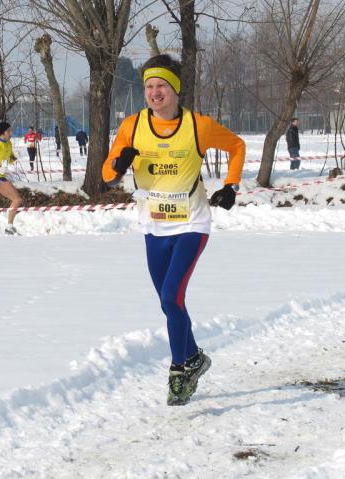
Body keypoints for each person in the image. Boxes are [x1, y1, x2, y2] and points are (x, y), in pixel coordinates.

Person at [102, 54, 245, 406]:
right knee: (170, 303)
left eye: (161, 86)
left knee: (171, 297)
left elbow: (237, 146)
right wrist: (118, 167)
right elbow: (106, 174)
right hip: (154, 226)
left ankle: (180, 369)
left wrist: (230, 185)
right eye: (149, 87)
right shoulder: (132, 126)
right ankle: (195, 356)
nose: (154, 93)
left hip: (192, 224)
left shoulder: (198, 126)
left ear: (175, 90)